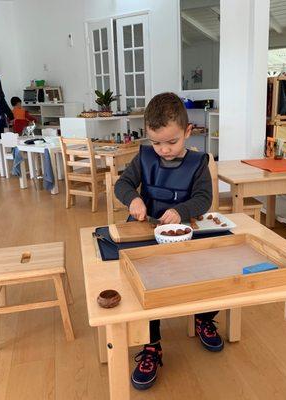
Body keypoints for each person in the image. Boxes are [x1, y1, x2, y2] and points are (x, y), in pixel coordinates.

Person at [114, 92, 221, 391]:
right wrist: (133, 199)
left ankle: (203, 318)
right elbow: (121, 184)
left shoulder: (199, 162)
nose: (163, 150)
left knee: (211, 272)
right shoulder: (144, 156)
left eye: (171, 142)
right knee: (142, 285)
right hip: (147, 231)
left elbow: (203, 198)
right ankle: (151, 345)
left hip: (185, 233)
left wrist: (180, 211)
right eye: (156, 142)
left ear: (188, 132)